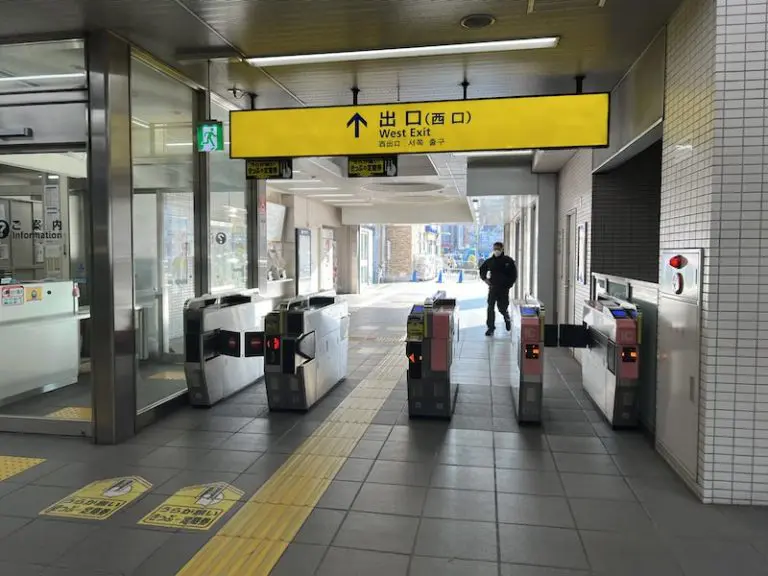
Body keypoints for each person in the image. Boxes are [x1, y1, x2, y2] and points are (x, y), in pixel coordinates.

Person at [479, 242, 518, 336]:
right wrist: (485, 279)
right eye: (495, 248)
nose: (496, 250)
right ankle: (491, 328)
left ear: (502, 249)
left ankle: (506, 317)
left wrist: (508, 284)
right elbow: (482, 269)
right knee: (490, 307)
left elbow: (514, 275)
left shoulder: (508, 261)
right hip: (493, 288)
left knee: (502, 307)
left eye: (498, 248)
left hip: (504, 289)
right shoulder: (490, 261)